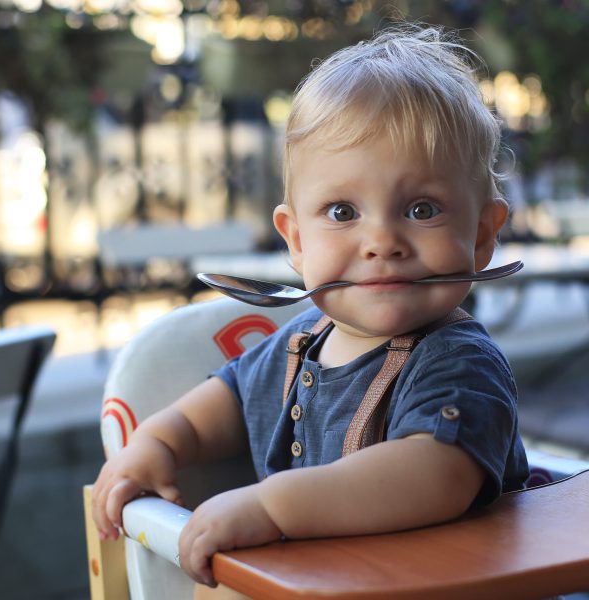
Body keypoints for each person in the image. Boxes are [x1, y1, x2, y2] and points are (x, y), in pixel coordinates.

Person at [91, 23, 530, 592]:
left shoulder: (457, 363)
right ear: (296, 240)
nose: (382, 241)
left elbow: (434, 475)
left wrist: (271, 508)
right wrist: (156, 445)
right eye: (343, 213)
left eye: (422, 210)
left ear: (479, 237)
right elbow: (219, 404)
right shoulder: (300, 344)